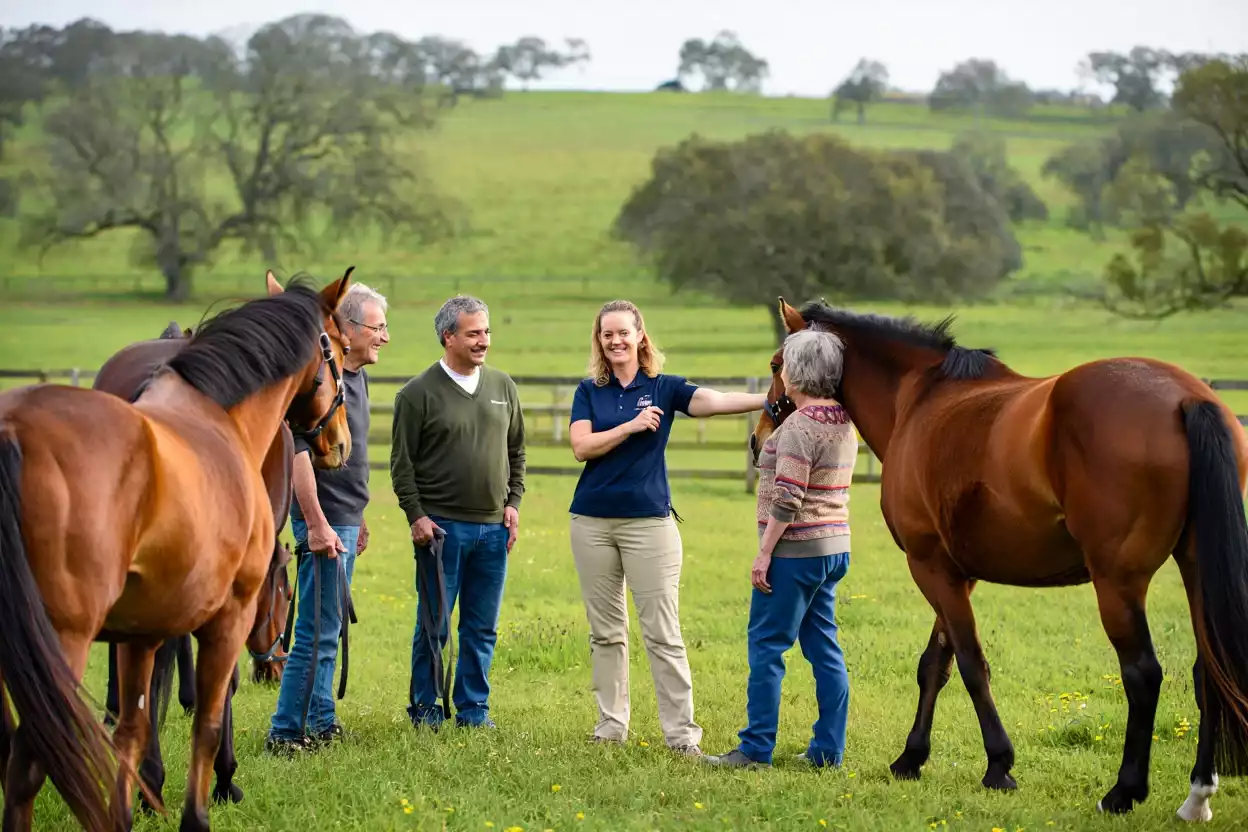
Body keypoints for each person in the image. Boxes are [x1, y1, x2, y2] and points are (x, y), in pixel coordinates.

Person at [567, 299, 767, 757]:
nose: (615, 341)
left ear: (641, 336)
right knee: (605, 631)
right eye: (606, 334)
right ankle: (610, 725)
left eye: (623, 332)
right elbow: (581, 446)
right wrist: (631, 426)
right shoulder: (589, 391)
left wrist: (770, 399)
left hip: (649, 526)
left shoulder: (664, 388)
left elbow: (715, 402)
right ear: (599, 341)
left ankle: (681, 736)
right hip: (590, 522)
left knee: (662, 631)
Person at [705, 328, 857, 769]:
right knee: (824, 647)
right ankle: (828, 751)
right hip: (833, 547)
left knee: (768, 646)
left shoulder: (797, 428)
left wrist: (764, 552)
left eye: (785, 364)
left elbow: (787, 497)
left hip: (795, 550)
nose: (782, 372)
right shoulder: (844, 421)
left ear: (798, 372)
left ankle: (754, 749)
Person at [265, 281, 390, 755]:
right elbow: (297, 450)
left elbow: (351, 461)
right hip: (323, 520)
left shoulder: (354, 378)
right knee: (315, 630)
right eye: (378, 327)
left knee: (329, 627)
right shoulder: (315, 382)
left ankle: (319, 720)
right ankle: (284, 732)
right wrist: (316, 523)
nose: (384, 337)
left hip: (345, 516)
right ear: (349, 328)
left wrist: (359, 517)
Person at [391, 295, 526, 730]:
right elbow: (402, 465)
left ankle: (474, 712)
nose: (483, 340)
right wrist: (416, 517)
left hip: (493, 531)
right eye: (473, 333)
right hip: (441, 531)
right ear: (448, 336)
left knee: (482, 628)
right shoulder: (416, 394)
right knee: (434, 626)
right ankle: (425, 710)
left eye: (486, 332)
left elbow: (517, 451)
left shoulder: (503, 387)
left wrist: (513, 503)